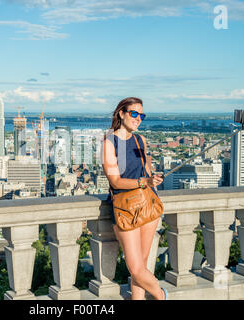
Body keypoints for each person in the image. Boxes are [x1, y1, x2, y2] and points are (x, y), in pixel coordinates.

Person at [102, 97, 166, 300]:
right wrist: (143, 182)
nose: (139, 119)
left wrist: (151, 180)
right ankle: (161, 295)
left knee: (143, 261)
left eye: (142, 115)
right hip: (125, 208)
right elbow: (115, 181)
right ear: (121, 113)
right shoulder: (109, 142)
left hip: (147, 203)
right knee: (136, 266)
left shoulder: (140, 140)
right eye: (134, 113)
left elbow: (145, 171)